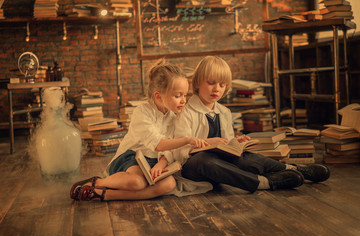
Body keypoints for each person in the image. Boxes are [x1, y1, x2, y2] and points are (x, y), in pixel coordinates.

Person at [171, 56, 330, 193]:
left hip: (221, 161)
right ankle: (262, 182)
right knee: (205, 161)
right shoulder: (185, 113)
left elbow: (228, 144)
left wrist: (237, 144)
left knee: (245, 157)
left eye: (222, 84)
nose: (217, 89)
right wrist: (208, 144)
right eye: (211, 82)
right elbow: (179, 152)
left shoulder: (224, 112)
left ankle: (291, 169)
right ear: (197, 83)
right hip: (195, 166)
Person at [70, 59, 207, 201]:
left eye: (185, 95)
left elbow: (170, 150)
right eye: (178, 96)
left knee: (169, 184)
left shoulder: (174, 116)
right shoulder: (142, 112)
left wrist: (161, 164)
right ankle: (98, 182)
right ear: (158, 96)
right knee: (137, 182)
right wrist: (187, 140)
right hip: (134, 157)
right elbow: (159, 144)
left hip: (155, 161)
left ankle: (106, 195)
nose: (183, 100)